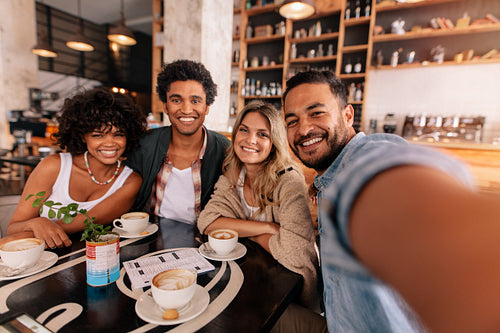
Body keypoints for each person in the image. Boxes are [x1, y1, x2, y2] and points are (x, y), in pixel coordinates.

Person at [283, 70, 500, 332]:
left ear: (348, 115)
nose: (303, 129)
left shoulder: (365, 160)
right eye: (292, 121)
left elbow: (383, 181)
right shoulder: (326, 180)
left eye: (317, 113)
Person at [198, 101, 326, 332]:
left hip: (290, 296)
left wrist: (245, 234)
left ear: (274, 142)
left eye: (262, 134)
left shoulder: (289, 180)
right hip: (251, 285)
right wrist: (267, 228)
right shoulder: (232, 175)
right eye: (244, 129)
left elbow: (294, 253)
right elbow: (207, 222)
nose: (250, 140)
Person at [4, 88, 147, 249]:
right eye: (97, 135)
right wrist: (36, 222)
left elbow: (84, 223)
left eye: (118, 134)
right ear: (82, 135)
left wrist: (41, 227)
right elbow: (12, 228)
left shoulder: (130, 182)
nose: (109, 143)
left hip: (92, 261)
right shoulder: (53, 167)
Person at [125, 59, 230, 224]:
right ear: (165, 106)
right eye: (176, 100)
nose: (186, 110)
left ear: (206, 107)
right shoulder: (144, 145)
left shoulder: (224, 149)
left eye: (195, 101)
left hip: (203, 241)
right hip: (151, 236)